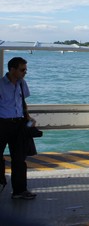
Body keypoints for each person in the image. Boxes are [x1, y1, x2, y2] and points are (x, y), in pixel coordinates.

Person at [0, 57, 37, 200]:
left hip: (19, 124)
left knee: (19, 159)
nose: (25, 72)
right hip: (2, 124)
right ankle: (1, 181)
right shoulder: (1, 85)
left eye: (25, 69)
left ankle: (19, 191)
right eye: (22, 69)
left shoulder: (22, 83)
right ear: (12, 69)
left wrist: (28, 117)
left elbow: (23, 102)